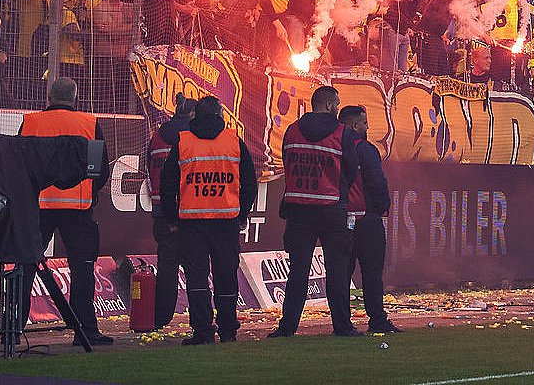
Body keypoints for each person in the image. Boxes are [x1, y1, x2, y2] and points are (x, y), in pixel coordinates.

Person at [19, 76, 113, 346]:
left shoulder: (31, 122)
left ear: (49, 97)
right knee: (82, 269)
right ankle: (85, 330)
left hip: (39, 205)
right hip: (78, 207)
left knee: (26, 264)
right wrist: (89, 191)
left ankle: (14, 327)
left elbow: (20, 161)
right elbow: (99, 168)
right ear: (75, 97)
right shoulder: (88, 122)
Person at [160, 96, 256, 345]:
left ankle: (202, 332)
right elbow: (250, 184)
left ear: (194, 116)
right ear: (221, 116)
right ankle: (227, 330)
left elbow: (167, 185)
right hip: (226, 222)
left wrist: (172, 218)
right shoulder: (234, 141)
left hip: (192, 224)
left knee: (197, 279)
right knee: (226, 277)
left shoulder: (183, 142)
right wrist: (241, 214)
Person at [272, 85, 361, 338]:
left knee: (298, 272)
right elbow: (352, 170)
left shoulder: (291, 130)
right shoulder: (342, 133)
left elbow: (287, 164)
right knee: (338, 271)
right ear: (331, 105)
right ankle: (342, 327)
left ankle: (287, 327)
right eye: (338, 103)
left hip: (298, 210)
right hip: (332, 208)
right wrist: (337, 189)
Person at [340, 105, 397, 333]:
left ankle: (342, 323)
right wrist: (382, 207)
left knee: (341, 274)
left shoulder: (333, 147)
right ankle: (377, 319)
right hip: (366, 218)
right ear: (355, 125)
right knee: (372, 273)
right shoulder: (365, 149)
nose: (368, 126)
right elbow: (376, 181)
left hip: (339, 219)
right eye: (365, 122)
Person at [145, 96, 198, 330]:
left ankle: (160, 318)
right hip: (188, 211)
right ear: (193, 115)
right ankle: (200, 319)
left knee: (167, 266)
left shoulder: (157, 136)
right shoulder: (192, 139)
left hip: (161, 213)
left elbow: (149, 167)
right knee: (196, 268)